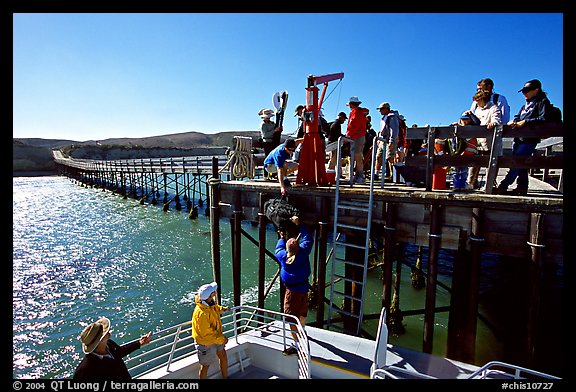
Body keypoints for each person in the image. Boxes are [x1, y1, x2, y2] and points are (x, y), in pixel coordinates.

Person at [495, 79, 552, 196]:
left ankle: (504, 185)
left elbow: (544, 119)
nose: (524, 93)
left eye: (527, 90)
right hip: (519, 138)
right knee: (521, 163)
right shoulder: (525, 105)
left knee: (516, 162)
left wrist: (526, 121)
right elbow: (517, 116)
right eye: (523, 91)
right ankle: (522, 187)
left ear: (536, 90)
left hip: (530, 139)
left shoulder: (542, 102)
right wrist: (515, 121)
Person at [274, 215, 313, 356]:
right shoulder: (303, 252)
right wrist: (300, 224)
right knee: (302, 313)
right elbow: (308, 238)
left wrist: (282, 236)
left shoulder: (283, 256)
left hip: (292, 292)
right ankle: (302, 333)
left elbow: (278, 248)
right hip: (303, 289)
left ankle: (297, 345)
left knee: (291, 317)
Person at [73, 316, 152, 380]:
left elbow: (119, 352)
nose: (108, 331)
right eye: (104, 332)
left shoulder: (109, 344)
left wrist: (139, 343)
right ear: (99, 341)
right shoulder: (85, 369)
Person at [462, 90, 502, 189]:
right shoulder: (477, 110)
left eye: (477, 101)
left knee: (490, 164)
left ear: (482, 99)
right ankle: (470, 183)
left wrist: (494, 123)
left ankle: (489, 185)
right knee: (474, 164)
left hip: (488, 142)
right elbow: (476, 122)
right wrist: (469, 115)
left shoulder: (493, 108)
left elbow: (497, 119)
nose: (476, 103)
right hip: (477, 142)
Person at [191, 281, 231, 379]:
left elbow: (214, 308)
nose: (215, 292)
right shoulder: (201, 314)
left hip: (216, 336)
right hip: (205, 342)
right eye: (213, 291)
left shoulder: (207, 303)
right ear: (209, 296)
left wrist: (223, 309)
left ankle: (225, 377)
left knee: (223, 357)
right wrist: (222, 340)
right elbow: (207, 334)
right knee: (205, 366)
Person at [449, 112, 479, 191]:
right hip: (456, 153)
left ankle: (462, 186)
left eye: (466, 119)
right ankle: (456, 186)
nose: (465, 121)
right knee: (455, 171)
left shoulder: (471, 128)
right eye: (463, 119)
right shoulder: (455, 128)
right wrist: (452, 125)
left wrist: (471, 114)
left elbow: (477, 123)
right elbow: (447, 134)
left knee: (464, 171)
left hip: (466, 154)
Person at [345, 96, 369, 184]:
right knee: (355, 156)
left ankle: (360, 176)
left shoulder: (356, 113)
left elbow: (354, 126)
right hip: (357, 136)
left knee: (357, 156)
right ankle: (357, 175)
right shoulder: (358, 112)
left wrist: (347, 136)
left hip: (357, 137)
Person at [374, 102, 400, 181]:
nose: (380, 111)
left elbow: (393, 129)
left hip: (388, 140)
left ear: (386, 109)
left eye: (381, 109)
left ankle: (393, 175)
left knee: (390, 158)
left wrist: (392, 140)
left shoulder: (392, 117)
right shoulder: (384, 118)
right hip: (382, 140)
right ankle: (376, 173)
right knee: (378, 156)